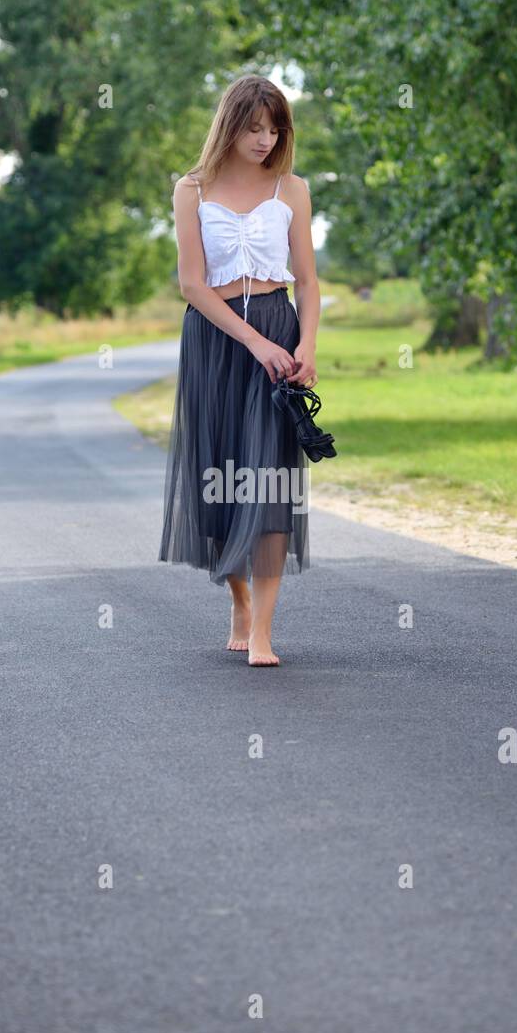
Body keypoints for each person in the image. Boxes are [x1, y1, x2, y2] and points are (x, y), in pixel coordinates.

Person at [158, 73, 321, 666]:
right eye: (255, 127)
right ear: (230, 125)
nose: (265, 138)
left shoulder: (292, 189)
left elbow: (306, 279)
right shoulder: (192, 190)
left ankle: (263, 634)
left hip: (280, 332)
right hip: (217, 340)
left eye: (275, 127)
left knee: (271, 480)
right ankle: (239, 598)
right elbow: (192, 285)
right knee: (220, 478)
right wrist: (254, 342)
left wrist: (307, 344)